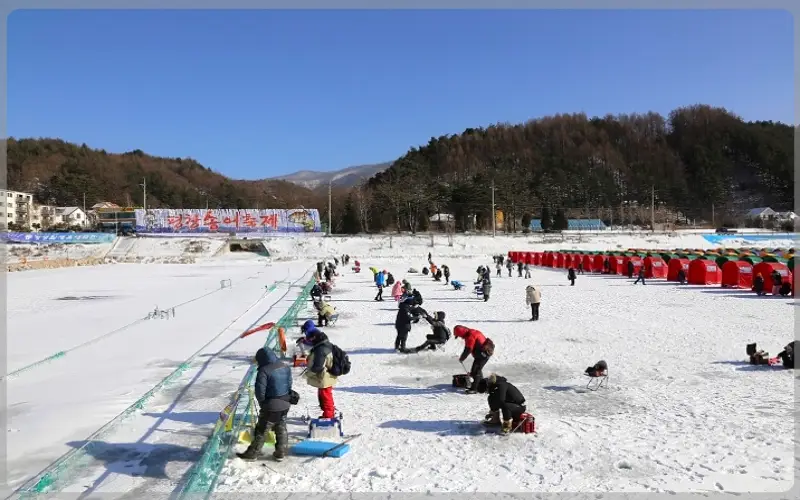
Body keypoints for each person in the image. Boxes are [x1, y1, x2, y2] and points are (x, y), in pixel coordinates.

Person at [236, 347, 293, 461]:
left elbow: (260, 391)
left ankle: (252, 454)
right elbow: (289, 384)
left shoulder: (264, 370)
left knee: (261, 430)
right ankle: (281, 452)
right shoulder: (285, 366)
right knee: (281, 427)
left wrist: (263, 403)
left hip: (271, 405)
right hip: (286, 403)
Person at [303, 329, 338, 419]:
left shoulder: (321, 349)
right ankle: (329, 412)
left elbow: (318, 367)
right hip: (327, 376)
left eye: (311, 340)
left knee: (326, 396)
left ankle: (328, 415)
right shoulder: (325, 345)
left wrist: (308, 374)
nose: (310, 342)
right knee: (324, 395)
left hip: (325, 377)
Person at [454, 325, 493, 394]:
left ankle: (474, 389)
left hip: (483, 354)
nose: (460, 337)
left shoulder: (470, 336)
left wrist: (462, 358)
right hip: (484, 353)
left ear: (461, 333)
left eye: (459, 335)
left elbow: (468, 349)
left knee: (475, 371)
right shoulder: (472, 332)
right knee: (477, 370)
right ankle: (481, 385)